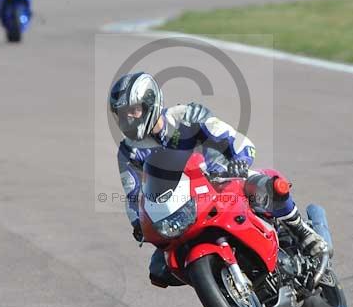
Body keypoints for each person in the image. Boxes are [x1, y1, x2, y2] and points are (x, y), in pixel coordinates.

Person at [108, 72, 327, 288]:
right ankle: (220, 285)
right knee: (159, 270)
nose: (129, 119)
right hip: (180, 206)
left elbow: (229, 136)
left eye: (134, 111)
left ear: (151, 103)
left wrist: (239, 159)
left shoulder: (188, 115)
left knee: (269, 184)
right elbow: (133, 193)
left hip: (222, 180)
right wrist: (139, 223)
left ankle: (300, 229)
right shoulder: (129, 151)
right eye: (123, 114)